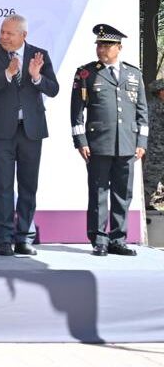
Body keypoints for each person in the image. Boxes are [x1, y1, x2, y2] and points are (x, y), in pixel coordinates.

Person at [0, 15, 59, 256]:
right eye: (2, 31)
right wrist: (8, 74)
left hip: (31, 131)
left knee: (28, 186)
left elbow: (53, 89)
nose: (3, 36)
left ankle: (24, 238)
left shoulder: (38, 55)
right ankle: (3, 238)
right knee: (1, 186)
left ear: (23, 35)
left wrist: (36, 76)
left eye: (9, 33)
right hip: (0, 131)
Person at [71, 24, 148, 256]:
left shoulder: (134, 74)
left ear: (119, 47)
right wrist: (80, 140)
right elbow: (76, 112)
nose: (101, 49)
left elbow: (142, 111)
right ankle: (99, 239)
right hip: (98, 143)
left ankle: (118, 239)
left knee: (123, 193)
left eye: (107, 45)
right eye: (99, 44)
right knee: (98, 192)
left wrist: (141, 142)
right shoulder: (85, 73)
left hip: (127, 142)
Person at [144, 79, 164, 211]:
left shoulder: (150, 105)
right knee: (151, 180)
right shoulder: (156, 106)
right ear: (161, 92)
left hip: (154, 150)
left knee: (152, 180)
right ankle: (146, 207)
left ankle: (152, 205)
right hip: (156, 151)